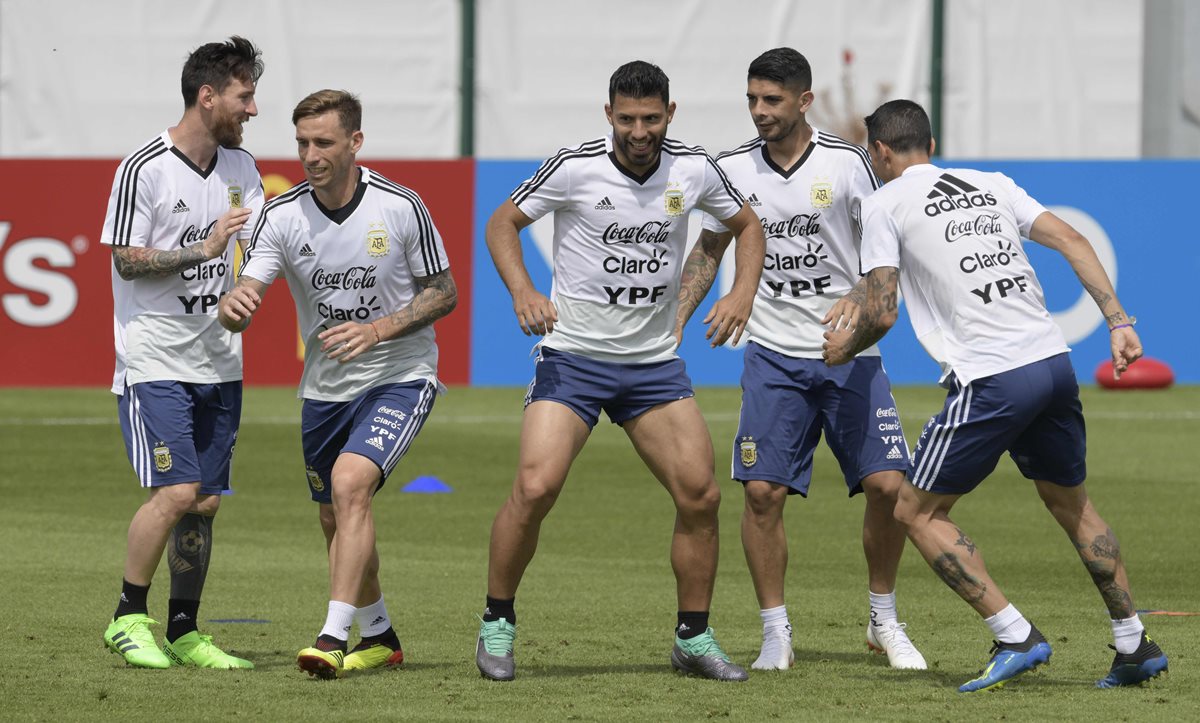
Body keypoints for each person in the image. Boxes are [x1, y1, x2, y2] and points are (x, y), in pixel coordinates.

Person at [822, 99, 1168, 692]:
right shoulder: (992, 183)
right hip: (1053, 364)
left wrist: (841, 351)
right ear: (928, 143)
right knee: (1073, 506)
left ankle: (1014, 634)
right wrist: (1117, 321)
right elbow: (1075, 239)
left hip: (994, 378)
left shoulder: (884, 203)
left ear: (879, 152)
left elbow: (882, 310)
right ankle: (1134, 643)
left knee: (914, 510)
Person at [476, 60, 766, 682]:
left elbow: (747, 227)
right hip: (574, 358)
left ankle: (694, 638)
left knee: (702, 495)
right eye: (628, 118)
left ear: (670, 114)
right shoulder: (575, 166)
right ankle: (497, 623)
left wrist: (741, 293)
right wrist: (523, 291)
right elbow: (502, 222)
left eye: (652, 118)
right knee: (534, 489)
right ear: (608, 115)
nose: (640, 130)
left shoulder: (692, 167)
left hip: (653, 365)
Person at [686, 48, 925, 671]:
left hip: (851, 356)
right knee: (762, 493)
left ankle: (883, 618)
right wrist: (673, 321)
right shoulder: (731, 169)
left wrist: (858, 295)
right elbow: (709, 248)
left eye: (772, 100)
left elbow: (885, 244)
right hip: (773, 357)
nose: (760, 112)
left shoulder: (848, 164)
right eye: (752, 100)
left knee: (888, 486)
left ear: (803, 101)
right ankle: (775, 632)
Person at [218, 89, 456, 680]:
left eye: (323, 142)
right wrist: (235, 305)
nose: (310, 154)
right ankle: (379, 635)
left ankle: (331, 636)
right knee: (335, 516)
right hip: (325, 387)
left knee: (351, 486)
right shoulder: (284, 214)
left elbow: (444, 292)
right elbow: (248, 289)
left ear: (355, 142)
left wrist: (378, 330)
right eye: (302, 143)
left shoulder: (401, 207)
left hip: (401, 374)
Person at [100, 36, 264, 670]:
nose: (252, 110)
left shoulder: (241, 169)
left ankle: (185, 628)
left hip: (220, 361)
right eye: (244, 96)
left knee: (205, 501)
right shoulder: (144, 167)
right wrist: (201, 251)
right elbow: (125, 259)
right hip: (153, 357)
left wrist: (245, 289)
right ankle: (126, 616)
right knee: (176, 491)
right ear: (208, 95)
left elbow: (259, 248)